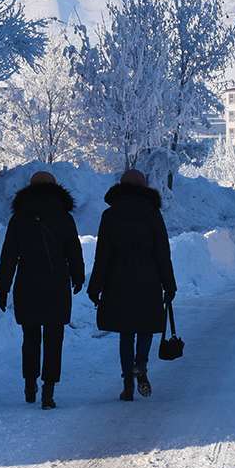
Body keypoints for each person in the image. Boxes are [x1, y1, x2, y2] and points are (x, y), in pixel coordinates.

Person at [0, 170, 85, 411]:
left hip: (27, 284)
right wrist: (78, 277)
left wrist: (3, 288)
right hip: (56, 284)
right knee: (54, 338)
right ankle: (48, 390)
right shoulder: (64, 217)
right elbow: (74, 251)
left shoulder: (19, 218)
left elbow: (9, 257)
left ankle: (29, 383)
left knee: (30, 337)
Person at [87, 168, 176, 402]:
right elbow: (162, 253)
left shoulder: (110, 215)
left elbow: (102, 255)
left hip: (118, 283)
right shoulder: (152, 214)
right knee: (145, 327)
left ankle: (127, 382)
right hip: (148, 281)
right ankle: (141, 366)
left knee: (126, 332)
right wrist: (169, 284)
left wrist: (95, 286)